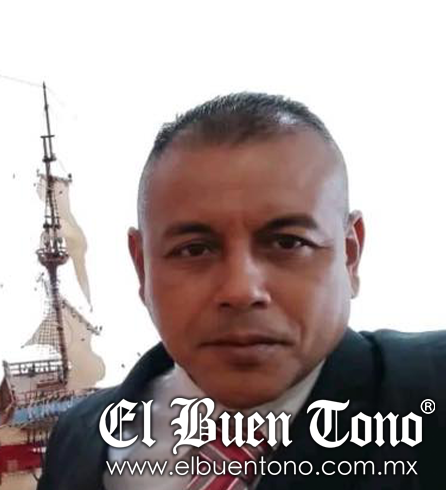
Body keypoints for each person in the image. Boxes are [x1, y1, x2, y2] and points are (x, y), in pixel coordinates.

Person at [37, 93, 446, 490]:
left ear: (350, 256)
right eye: (194, 250)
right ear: (142, 266)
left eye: (288, 243)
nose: (240, 289)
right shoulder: (77, 440)